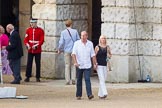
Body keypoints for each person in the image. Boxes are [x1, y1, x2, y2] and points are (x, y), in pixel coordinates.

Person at [72, 31, 97, 100]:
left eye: (84, 36)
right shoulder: (76, 43)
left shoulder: (90, 44)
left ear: (87, 36)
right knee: (79, 80)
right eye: (82, 36)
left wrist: (95, 63)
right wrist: (75, 62)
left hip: (87, 64)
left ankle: (89, 94)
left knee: (87, 79)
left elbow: (93, 55)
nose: (83, 37)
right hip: (79, 64)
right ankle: (78, 94)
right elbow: (73, 54)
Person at [58, 19, 80, 85]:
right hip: (74, 51)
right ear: (71, 24)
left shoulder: (63, 32)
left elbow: (61, 42)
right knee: (73, 65)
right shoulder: (75, 31)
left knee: (67, 65)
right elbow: (78, 40)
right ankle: (73, 79)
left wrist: (59, 49)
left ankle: (67, 80)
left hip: (66, 50)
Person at [24, 18, 44, 82]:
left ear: (35, 23)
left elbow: (41, 40)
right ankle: (28, 76)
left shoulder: (40, 30)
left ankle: (38, 77)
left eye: (33, 23)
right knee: (29, 63)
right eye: (31, 23)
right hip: (30, 49)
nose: (31, 24)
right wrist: (28, 45)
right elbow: (26, 39)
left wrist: (36, 46)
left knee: (38, 63)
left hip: (37, 50)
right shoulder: (28, 30)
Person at [95, 35, 112, 99]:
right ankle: (105, 93)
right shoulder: (97, 47)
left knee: (103, 79)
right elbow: (94, 55)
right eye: (102, 38)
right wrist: (95, 63)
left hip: (105, 65)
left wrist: (109, 56)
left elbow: (110, 54)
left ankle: (100, 94)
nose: (103, 39)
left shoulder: (107, 47)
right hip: (99, 65)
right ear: (100, 39)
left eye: (104, 38)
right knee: (101, 78)